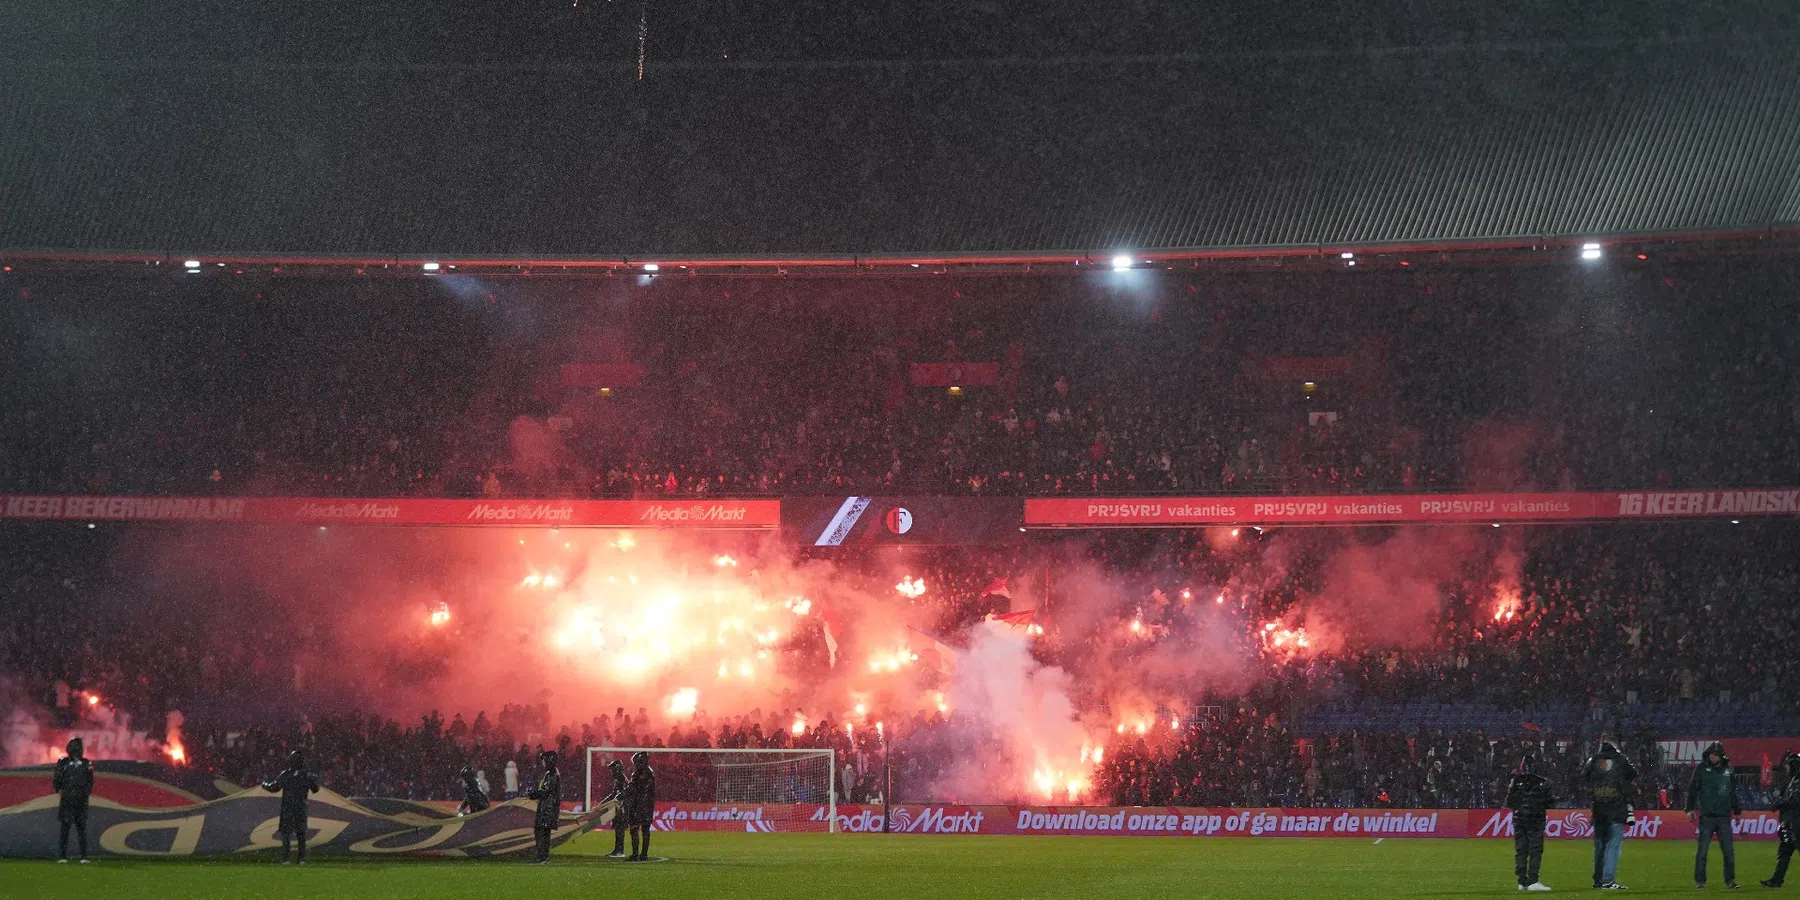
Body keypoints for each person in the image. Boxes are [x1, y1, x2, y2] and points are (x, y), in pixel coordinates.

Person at [1584, 741, 1638, 890]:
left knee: (1599, 846)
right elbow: (1633, 773)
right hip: (1616, 809)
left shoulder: (1594, 760)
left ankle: (1598, 880)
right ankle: (1608, 880)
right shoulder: (1621, 760)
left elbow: (1584, 776)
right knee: (1614, 845)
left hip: (1599, 809)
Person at [1686, 742, 1741, 889]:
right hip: (1707, 816)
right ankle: (1700, 881)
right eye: (1711, 754)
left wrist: (1737, 812)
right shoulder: (1701, 768)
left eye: (1715, 754)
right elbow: (1692, 789)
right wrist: (1689, 809)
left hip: (1724, 817)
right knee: (1702, 851)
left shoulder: (1729, 769)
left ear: (1720, 756)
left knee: (1729, 851)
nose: (1712, 757)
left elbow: (1733, 792)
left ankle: (1730, 881)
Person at [260, 750, 321, 864]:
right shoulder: (306, 775)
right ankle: (301, 859)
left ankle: (286, 858)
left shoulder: (286, 774)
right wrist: (313, 779)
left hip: (287, 807)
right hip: (300, 808)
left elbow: (274, 787)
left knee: (286, 833)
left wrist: (265, 785)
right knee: (300, 833)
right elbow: (315, 789)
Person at [1505, 753, 1555, 892]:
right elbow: (1550, 803)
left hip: (1519, 819)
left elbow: (1509, 801)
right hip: (1536, 820)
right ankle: (1533, 880)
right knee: (1535, 850)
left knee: (1521, 850)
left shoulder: (1515, 781)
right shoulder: (1543, 782)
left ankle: (1521, 881)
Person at [52, 737, 94, 864]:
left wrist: (85, 793)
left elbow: (90, 781)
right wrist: (60, 789)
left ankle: (84, 857)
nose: (75, 750)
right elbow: (57, 778)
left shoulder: (87, 763)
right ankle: (63, 856)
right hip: (67, 801)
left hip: (81, 801)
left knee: (81, 830)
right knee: (65, 830)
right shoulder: (62, 763)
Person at [1763, 751, 1800, 889]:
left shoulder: (1797, 781)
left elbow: (1793, 800)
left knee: (1785, 852)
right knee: (1784, 853)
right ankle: (1776, 880)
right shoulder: (1793, 781)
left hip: (1796, 823)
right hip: (1790, 822)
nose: (1786, 768)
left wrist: (1776, 803)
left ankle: (1776, 880)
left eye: (1788, 765)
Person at [524, 749, 560, 864]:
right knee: (543, 832)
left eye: (544, 760)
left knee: (541, 831)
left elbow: (545, 791)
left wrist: (533, 794)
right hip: (547, 807)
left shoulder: (552, 774)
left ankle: (541, 857)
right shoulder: (551, 773)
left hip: (547, 808)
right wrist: (535, 794)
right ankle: (543, 856)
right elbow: (545, 791)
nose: (542, 763)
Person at [622, 750, 657, 861]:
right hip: (648, 805)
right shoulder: (650, 773)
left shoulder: (638, 774)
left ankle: (635, 854)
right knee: (645, 830)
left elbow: (632, 788)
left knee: (634, 828)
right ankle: (644, 855)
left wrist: (621, 795)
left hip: (638, 805)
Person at [603, 759, 629, 858]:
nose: (611, 771)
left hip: (622, 808)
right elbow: (614, 794)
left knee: (619, 829)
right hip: (619, 808)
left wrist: (616, 802)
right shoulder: (619, 778)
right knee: (618, 829)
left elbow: (621, 794)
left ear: (617, 768)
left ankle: (619, 850)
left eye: (612, 768)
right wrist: (605, 802)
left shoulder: (621, 778)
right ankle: (617, 849)